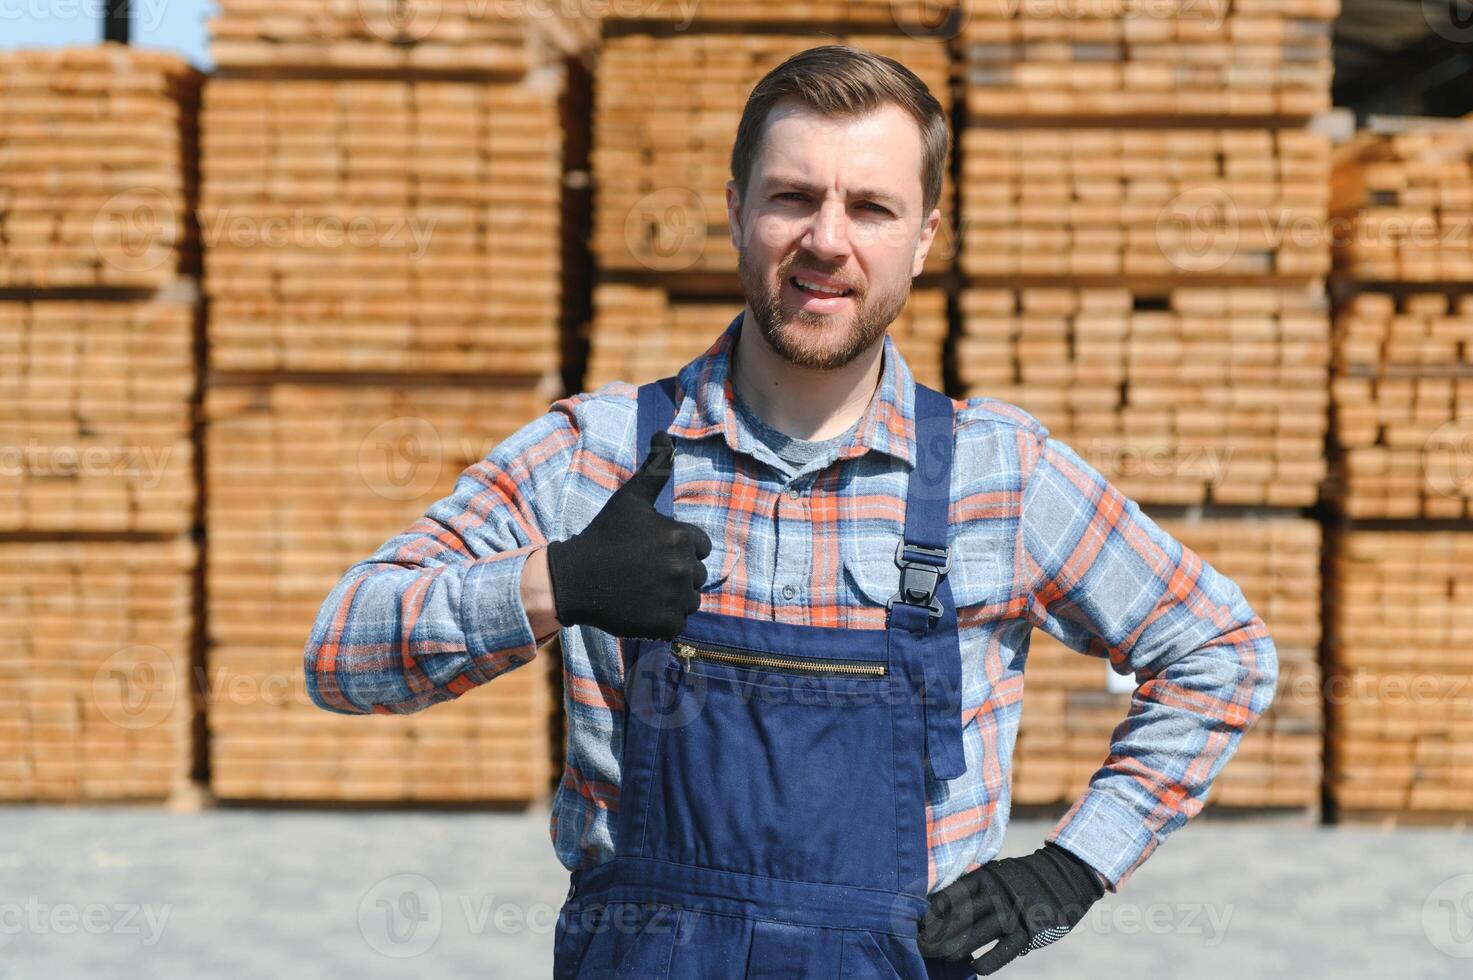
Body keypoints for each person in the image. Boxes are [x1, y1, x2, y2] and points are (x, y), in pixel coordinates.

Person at [304, 44, 1279, 978]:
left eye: (871, 207)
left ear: (924, 237)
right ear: (736, 211)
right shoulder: (593, 455)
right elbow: (341, 654)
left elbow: (1222, 651)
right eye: (793, 198)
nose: (827, 239)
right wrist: (555, 580)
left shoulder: (1002, 474)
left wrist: (1070, 868)